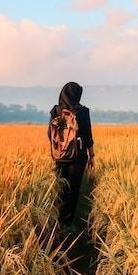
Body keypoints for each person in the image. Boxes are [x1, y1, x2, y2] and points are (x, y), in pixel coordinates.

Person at [48, 82, 95, 223]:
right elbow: (87, 136)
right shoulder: (82, 111)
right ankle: (68, 221)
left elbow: (49, 134)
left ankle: (57, 219)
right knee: (73, 189)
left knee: (60, 187)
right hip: (78, 157)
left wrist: (58, 148)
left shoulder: (56, 111)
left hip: (59, 156)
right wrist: (91, 156)